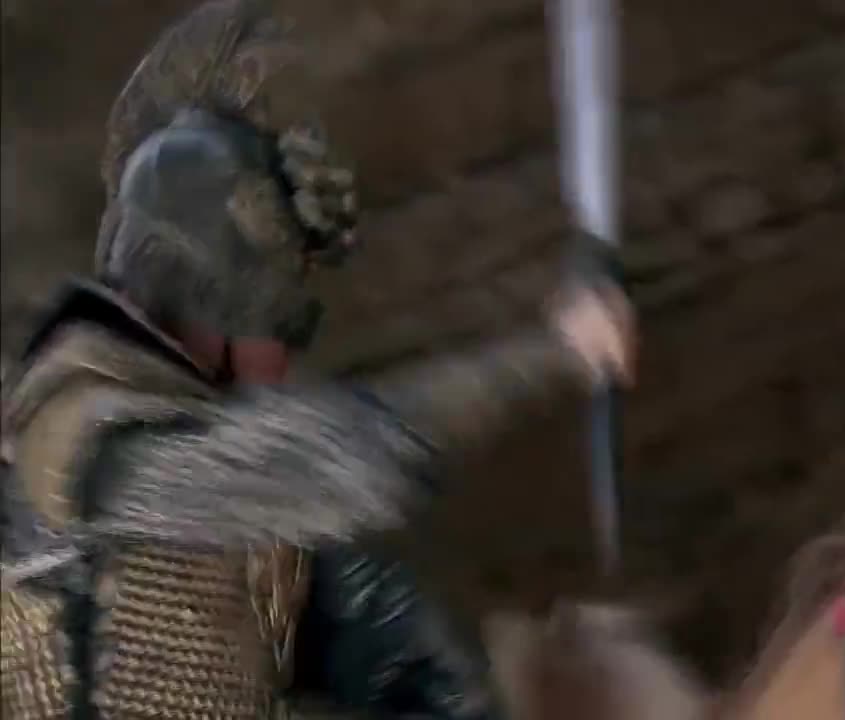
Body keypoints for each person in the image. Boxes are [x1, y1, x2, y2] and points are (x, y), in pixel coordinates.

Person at [0, 2, 633, 718]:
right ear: (210, 305)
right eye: (272, 318)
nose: (282, 356)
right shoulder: (79, 441)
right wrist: (556, 352)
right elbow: (338, 462)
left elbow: (400, 658)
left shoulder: (252, 514)